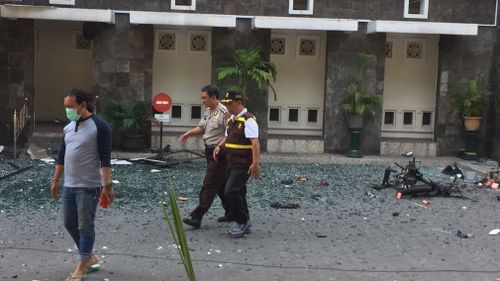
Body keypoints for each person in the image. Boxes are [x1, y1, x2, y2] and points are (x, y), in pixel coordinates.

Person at [50, 88, 115, 281]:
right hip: (69, 185)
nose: (67, 110)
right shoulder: (69, 127)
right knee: (69, 223)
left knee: (85, 226)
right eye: (65, 107)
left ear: (82, 105)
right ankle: (90, 257)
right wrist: (55, 180)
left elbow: (105, 158)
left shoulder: (100, 126)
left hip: (89, 186)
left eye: (70, 106)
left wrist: (107, 184)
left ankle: (81, 267)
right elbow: (61, 156)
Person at [179, 85, 231, 229]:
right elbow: (201, 127)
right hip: (209, 151)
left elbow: (230, 133)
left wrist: (220, 146)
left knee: (209, 184)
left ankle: (197, 216)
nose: (202, 101)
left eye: (205, 98)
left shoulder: (224, 112)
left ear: (214, 97)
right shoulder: (209, 111)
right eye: (202, 98)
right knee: (220, 185)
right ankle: (231, 212)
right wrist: (188, 133)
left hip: (219, 152)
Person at [214, 91, 260, 238]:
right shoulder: (232, 120)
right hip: (231, 162)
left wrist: (255, 163)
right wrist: (218, 146)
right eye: (226, 103)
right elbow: (227, 137)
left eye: (230, 103)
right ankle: (244, 221)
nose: (228, 106)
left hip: (243, 163)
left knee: (231, 191)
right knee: (238, 191)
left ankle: (242, 221)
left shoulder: (248, 120)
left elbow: (255, 143)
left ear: (239, 103)